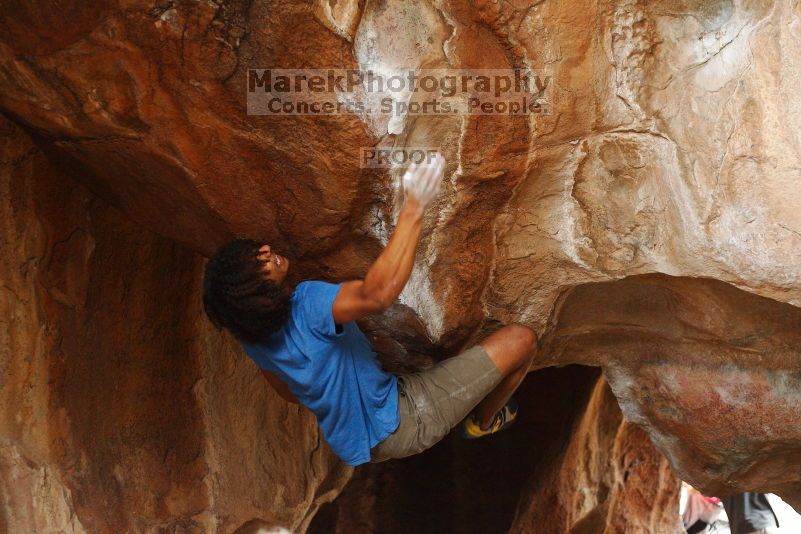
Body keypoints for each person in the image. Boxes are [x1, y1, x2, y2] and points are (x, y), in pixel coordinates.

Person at [202, 153, 538, 466]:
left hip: (356, 441)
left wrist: (341, 385)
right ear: (256, 293)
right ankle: (484, 422)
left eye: (256, 251)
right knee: (522, 341)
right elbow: (379, 295)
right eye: (257, 264)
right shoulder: (307, 305)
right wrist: (415, 205)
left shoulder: (254, 340)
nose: (265, 251)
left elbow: (290, 394)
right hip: (404, 420)